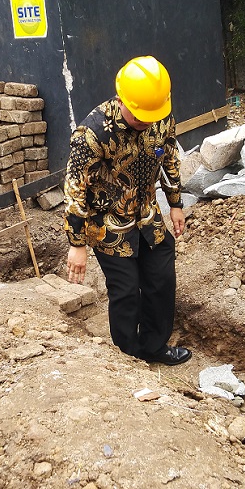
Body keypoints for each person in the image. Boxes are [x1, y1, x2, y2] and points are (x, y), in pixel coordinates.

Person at [64, 56, 191, 365]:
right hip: (108, 224)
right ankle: (128, 360)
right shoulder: (92, 134)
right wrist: (77, 245)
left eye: (152, 116)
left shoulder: (159, 116)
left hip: (147, 213)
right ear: (121, 100)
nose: (147, 122)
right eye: (139, 117)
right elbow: (74, 189)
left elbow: (169, 155)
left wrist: (175, 203)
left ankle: (153, 347)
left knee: (161, 280)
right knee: (125, 293)